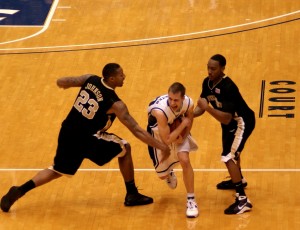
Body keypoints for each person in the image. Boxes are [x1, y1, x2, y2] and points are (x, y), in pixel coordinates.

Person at [1, 63, 170, 212]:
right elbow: (137, 130)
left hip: (67, 130)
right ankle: (132, 194)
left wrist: (61, 83)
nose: (124, 76)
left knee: (57, 169)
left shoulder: (91, 79)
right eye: (120, 75)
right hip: (87, 138)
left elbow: (65, 81)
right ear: (111, 79)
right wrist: (161, 146)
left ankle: (19, 190)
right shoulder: (116, 104)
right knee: (125, 148)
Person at [193, 54, 255, 215]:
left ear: (222, 69)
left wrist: (208, 108)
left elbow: (226, 118)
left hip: (241, 122)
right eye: (208, 67)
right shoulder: (207, 83)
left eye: (213, 69)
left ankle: (242, 200)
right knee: (232, 152)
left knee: (229, 156)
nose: (209, 71)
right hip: (229, 124)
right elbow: (201, 105)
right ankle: (238, 179)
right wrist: (188, 115)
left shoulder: (229, 87)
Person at [147, 82, 199, 218]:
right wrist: (182, 125)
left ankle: (191, 200)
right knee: (161, 175)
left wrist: (184, 136)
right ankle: (169, 172)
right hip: (158, 135)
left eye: (176, 100)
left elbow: (190, 119)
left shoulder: (189, 103)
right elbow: (167, 139)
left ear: (183, 98)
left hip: (176, 130)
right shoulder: (160, 112)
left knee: (185, 160)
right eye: (170, 99)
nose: (172, 102)